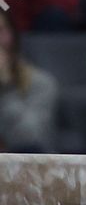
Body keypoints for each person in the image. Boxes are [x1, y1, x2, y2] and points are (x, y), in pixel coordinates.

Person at [0, 11, 59, 153]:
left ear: (12, 35)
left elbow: (29, 139)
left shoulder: (40, 83)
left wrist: (6, 87)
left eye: (0, 31)